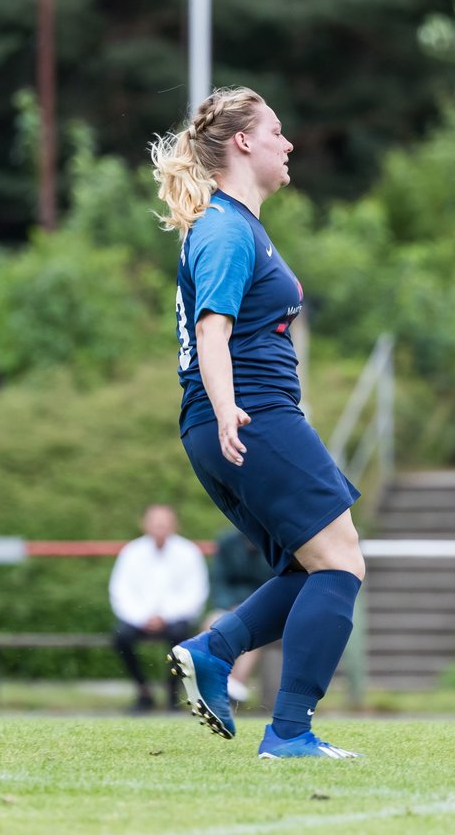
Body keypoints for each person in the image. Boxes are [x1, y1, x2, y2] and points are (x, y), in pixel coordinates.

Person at [151, 86, 365, 759]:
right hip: (251, 416)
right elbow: (212, 333)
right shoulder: (224, 226)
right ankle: (290, 731)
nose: (289, 142)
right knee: (343, 561)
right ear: (243, 142)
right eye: (276, 130)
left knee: (312, 568)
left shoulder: (236, 225)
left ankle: (214, 650)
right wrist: (227, 412)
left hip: (239, 419)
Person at [109, 504, 209, 712]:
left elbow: (195, 592)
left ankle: (173, 695)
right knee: (120, 636)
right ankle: (143, 691)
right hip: (138, 618)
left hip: (175, 619)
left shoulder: (188, 552)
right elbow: (120, 591)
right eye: (156, 523)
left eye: (164, 523)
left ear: (175, 525)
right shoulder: (132, 552)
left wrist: (165, 616)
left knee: (181, 637)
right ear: (144, 524)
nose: (160, 528)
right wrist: (142, 617)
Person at [202, 527, 274, 705]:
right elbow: (219, 581)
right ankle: (222, 682)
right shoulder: (226, 542)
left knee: (253, 628)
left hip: (262, 608)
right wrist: (229, 605)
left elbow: (274, 584)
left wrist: (248, 607)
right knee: (211, 623)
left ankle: (234, 683)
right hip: (229, 606)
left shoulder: (275, 544)